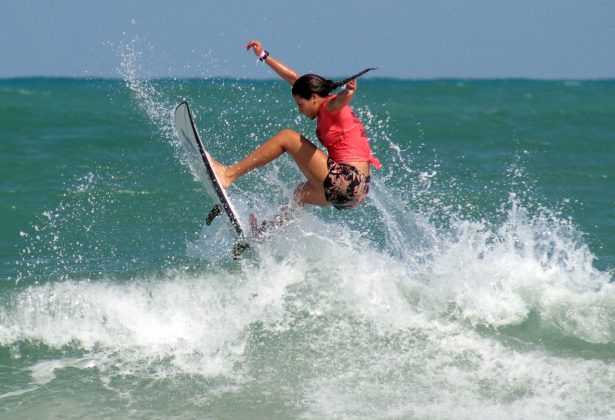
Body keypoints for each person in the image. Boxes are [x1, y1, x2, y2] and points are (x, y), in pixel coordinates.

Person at [211, 40, 380, 233]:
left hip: (349, 180)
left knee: (288, 137)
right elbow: (294, 79)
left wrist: (348, 92)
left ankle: (228, 174)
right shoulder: (317, 99)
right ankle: (262, 234)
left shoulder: (329, 106)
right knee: (300, 194)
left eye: (300, 104)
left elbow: (340, 102)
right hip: (357, 191)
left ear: (315, 98)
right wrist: (264, 56)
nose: (299, 110)